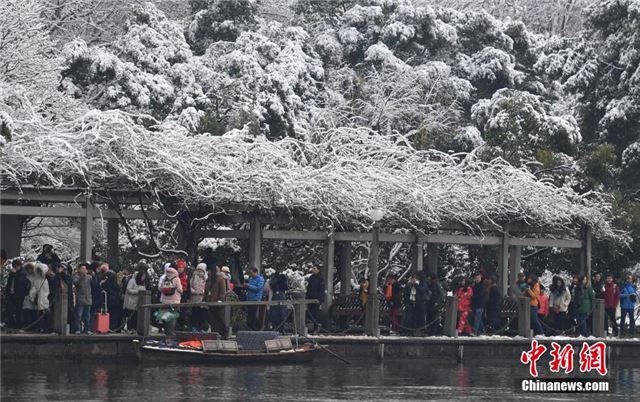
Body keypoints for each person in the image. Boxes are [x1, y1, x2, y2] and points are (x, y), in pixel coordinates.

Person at [6, 259, 30, 328]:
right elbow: (9, 283)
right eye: (15, 266)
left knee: (18, 311)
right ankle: (12, 325)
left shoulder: (22, 273)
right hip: (12, 294)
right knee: (9, 310)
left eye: (17, 266)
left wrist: (14, 273)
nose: (16, 267)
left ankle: (18, 325)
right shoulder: (13, 273)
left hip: (19, 295)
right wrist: (7, 292)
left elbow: (21, 281)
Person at [159, 267, 183, 337]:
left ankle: (166, 332)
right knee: (172, 318)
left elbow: (160, 288)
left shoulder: (164, 279)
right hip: (174, 301)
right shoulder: (176, 279)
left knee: (167, 317)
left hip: (165, 301)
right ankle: (171, 334)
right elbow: (180, 289)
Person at [98, 263, 122, 331]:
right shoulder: (112, 279)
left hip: (107, 299)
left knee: (108, 313)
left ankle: (108, 326)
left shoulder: (103, 279)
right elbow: (116, 287)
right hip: (113, 299)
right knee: (114, 314)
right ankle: (114, 327)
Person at [206, 266, 229, 337]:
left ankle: (224, 333)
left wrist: (221, 300)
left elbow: (223, 291)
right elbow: (206, 290)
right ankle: (214, 333)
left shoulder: (220, 279)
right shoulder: (209, 279)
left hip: (218, 302)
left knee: (220, 318)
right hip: (210, 301)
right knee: (212, 319)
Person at [28, 263, 50, 332]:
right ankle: (42, 328)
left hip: (47, 300)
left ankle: (46, 328)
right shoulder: (37, 280)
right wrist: (32, 296)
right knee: (40, 315)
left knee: (46, 315)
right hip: (40, 300)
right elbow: (34, 289)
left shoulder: (48, 280)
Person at [73, 263, 93, 334]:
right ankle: (77, 329)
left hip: (88, 299)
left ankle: (87, 329)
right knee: (78, 315)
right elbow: (76, 283)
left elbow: (94, 284)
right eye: (82, 268)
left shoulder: (89, 277)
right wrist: (82, 277)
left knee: (87, 316)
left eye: (85, 268)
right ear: (79, 269)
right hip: (80, 299)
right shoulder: (76, 276)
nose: (84, 270)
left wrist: (94, 275)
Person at [305, 266, 325, 333]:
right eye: (313, 268)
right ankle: (309, 327)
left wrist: (320, 299)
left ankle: (316, 328)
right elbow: (309, 288)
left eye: (314, 268)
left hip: (316, 298)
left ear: (318, 270)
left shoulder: (320, 278)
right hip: (310, 297)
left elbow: (322, 289)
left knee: (315, 314)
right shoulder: (311, 277)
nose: (313, 270)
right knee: (310, 313)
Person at [189, 263, 208, 331]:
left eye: (201, 271)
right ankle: (194, 327)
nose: (200, 272)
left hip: (202, 299)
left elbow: (207, 288)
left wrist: (203, 292)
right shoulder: (193, 277)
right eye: (198, 271)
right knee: (195, 313)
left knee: (202, 314)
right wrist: (193, 291)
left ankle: (201, 327)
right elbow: (190, 286)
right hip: (194, 298)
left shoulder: (206, 278)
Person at [21, 262, 37, 329]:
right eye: (28, 268)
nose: (29, 270)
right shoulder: (25, 276)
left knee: (32, 312)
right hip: (26, 295)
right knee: (26, 311)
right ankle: (26, 325)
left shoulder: (35, 277)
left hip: (32, 295)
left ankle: (32, 326)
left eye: (30, 268)